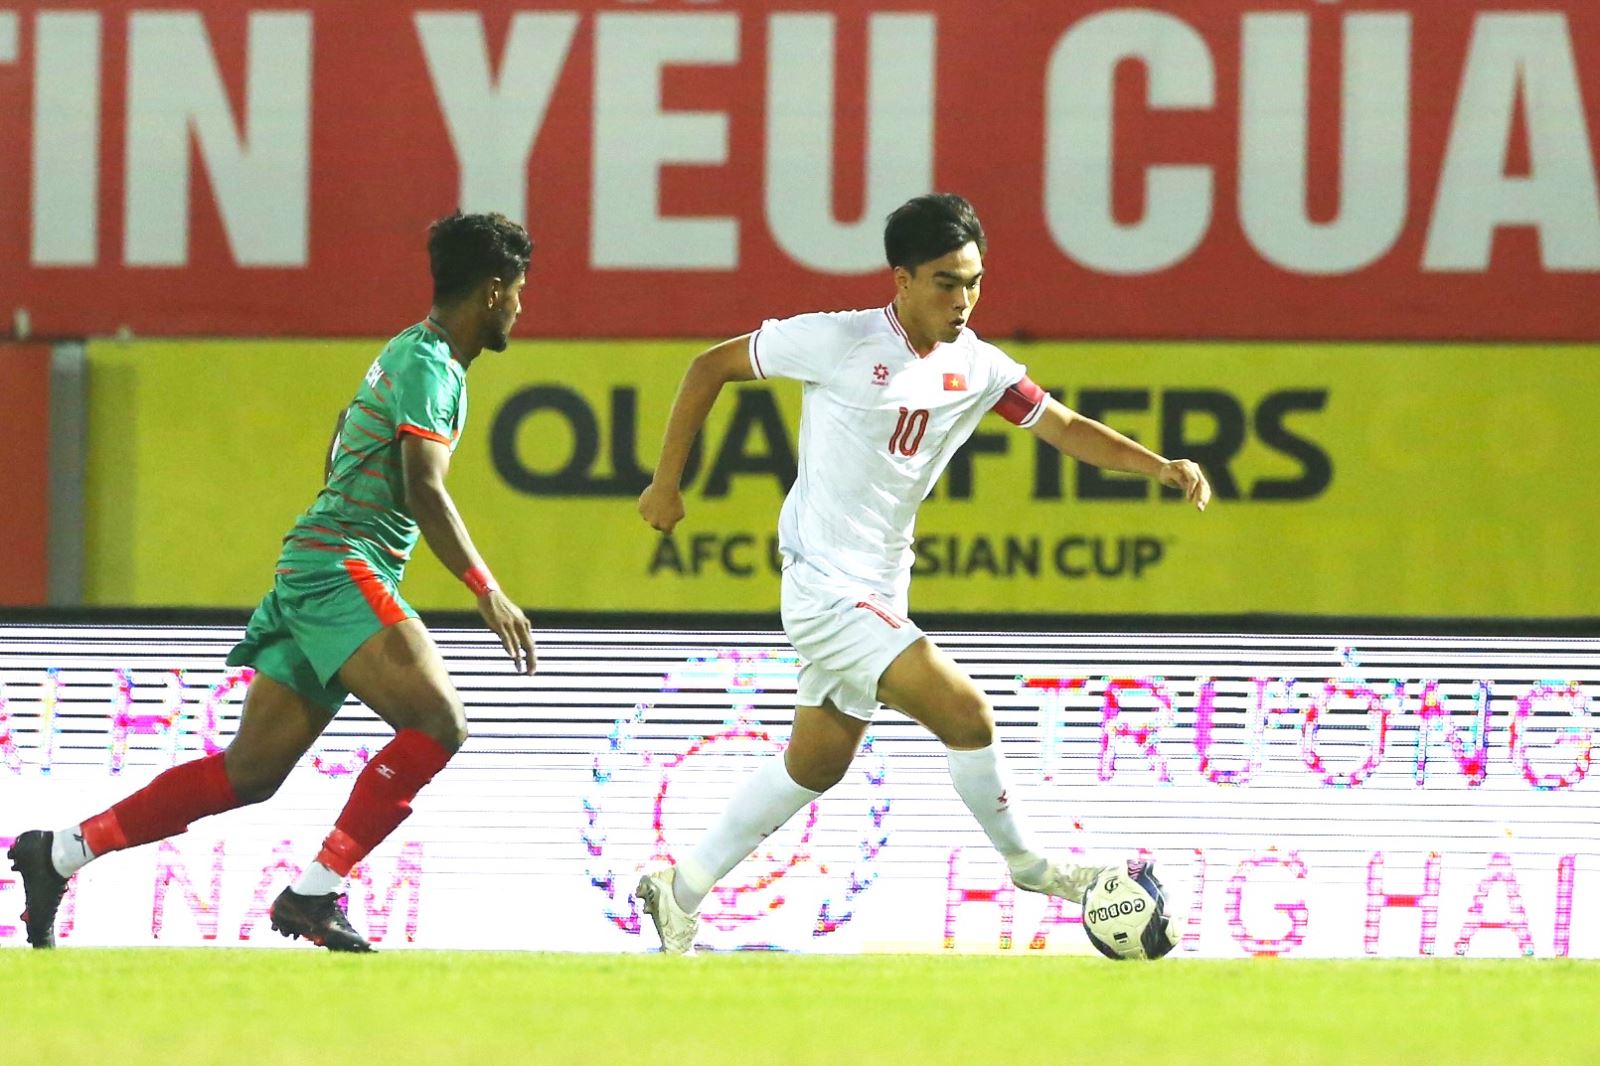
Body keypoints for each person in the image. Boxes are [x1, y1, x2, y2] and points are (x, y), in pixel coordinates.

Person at [634, 193, 1210, 954]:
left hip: (880, 585)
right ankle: (1031, 866)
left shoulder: (980, 367)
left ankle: (679, 891)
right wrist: (665, 484)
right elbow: (709, 366)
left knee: (816, 763)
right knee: (967, 714)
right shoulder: (838, 340)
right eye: (945, 282)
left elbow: (1064, 426)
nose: (962, 300)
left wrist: (1158, 465)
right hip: (825, 588)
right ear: (901, 279)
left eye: (974, 282)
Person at [7, 211, 538, 952]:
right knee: (439, 721)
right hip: (340, 565)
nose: (521, 307)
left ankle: (60, 852)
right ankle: (314, 894)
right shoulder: (431, 367)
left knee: (249, 773)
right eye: (519, 291)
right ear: (492, 291)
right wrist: (486, 588)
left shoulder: (412, 353)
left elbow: (344, 430)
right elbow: (424, 485)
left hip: (319, 564)